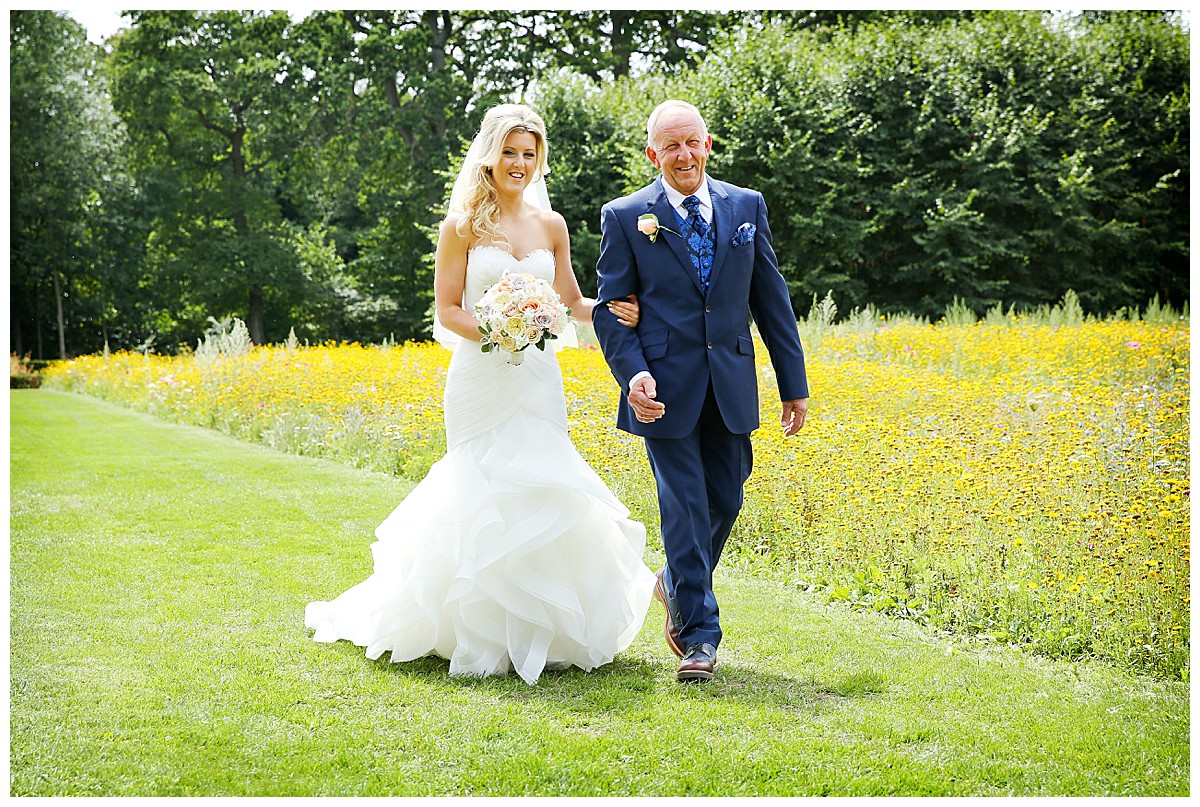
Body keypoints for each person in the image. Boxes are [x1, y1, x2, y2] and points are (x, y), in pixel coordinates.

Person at [306, 104, 655, 685]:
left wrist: (616, 311)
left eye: (529, 154)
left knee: (544, 483)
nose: (519, 163)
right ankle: (470, 629)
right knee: (478, 484)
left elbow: (570, 301)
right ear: (489, 157)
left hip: (537, 377)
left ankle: (544, 629)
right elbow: (448, 310)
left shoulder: (552, 226)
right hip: (480, 375)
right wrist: (501, 328)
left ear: (539, 160)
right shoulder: (462, 226)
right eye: (509, 152)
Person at [592, 100, 810, 682]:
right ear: (653, 154)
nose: (684, 154)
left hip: (731, 381)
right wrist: (633, 374)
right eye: (671, 146)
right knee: (685, 507)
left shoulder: (746, 206)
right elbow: (612, 312)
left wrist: (793, 383)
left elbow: (771, 299)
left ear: (707, 145)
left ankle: (673, 581)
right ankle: (699, 637)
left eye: (692, 142)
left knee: (727, 498)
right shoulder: (625, 216)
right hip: (662, 387)